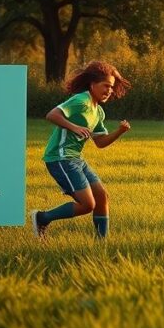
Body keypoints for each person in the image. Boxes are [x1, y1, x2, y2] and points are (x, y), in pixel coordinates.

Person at [30, 60, 131, 239]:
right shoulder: (81, 100)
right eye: (105, 85)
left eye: (111, 87)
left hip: (75, 158)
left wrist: (120, 131)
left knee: (102, 197)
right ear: (92, 84)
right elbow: (52, 115)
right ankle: (42, 218)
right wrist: (73, 127)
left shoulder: (98, 111)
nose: (109, 90)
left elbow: (100, 142)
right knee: (87, 205)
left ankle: (102, 244)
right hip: (60, 158)